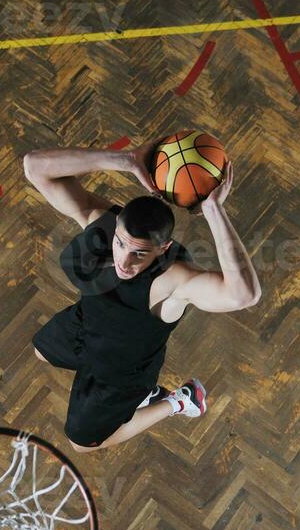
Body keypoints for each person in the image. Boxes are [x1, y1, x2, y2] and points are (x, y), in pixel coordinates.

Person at [23, 141, 261, 452]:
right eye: (120, 244)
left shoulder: (174, 280)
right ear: (117, 227)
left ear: (162, 249)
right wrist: (124, 160)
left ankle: (180, 400)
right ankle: (145, 395)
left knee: (82, 444)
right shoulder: (106, 226)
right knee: (42, 352)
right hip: (85, 326)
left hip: (122, 371)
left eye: (139, 254)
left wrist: (213, 210)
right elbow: (34, 166)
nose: (123, 260)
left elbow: (243, 295)